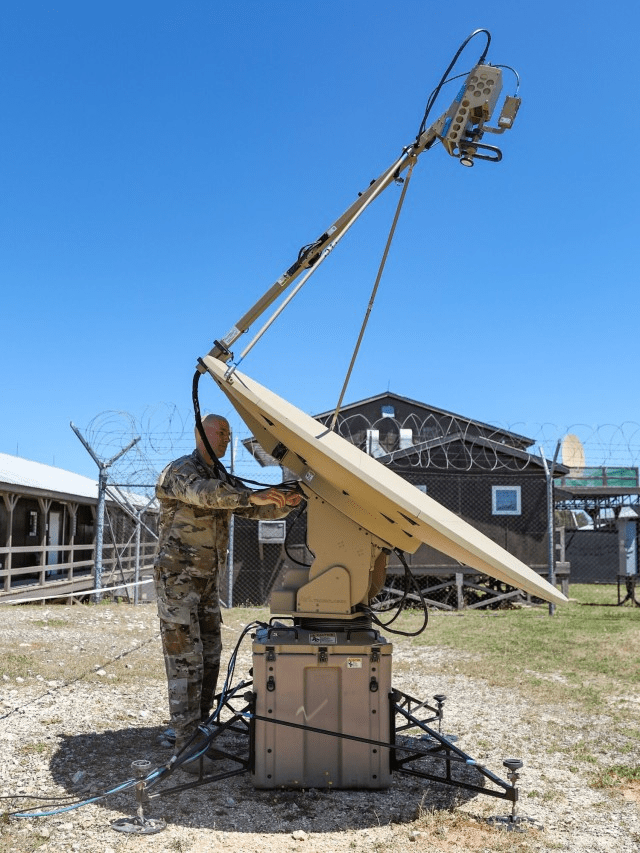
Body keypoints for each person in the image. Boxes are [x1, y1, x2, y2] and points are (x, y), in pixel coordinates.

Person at [153, 413, 302, 772]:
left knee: (209, 657)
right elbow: (207, 496)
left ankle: (197, 731)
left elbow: (248, 506)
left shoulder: (219, 475)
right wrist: (253, 495)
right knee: (186, 659)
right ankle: (185, 745)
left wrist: (284, 502)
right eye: (221, 431)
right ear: (200, 432)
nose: (226, 438)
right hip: (178, 581)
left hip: (206, 582)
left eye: (229, 433)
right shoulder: (181, 470)